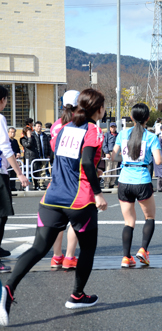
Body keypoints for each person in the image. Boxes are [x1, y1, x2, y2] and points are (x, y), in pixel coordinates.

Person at [0, 88, 108, 327]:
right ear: (97, 109)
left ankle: (8, 288)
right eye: (103, 107)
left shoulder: (61, 129)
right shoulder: (92, 130)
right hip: (79, 200)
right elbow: (88, 162)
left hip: (51, 198)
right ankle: (77, 295)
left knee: (39, 248)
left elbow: (62, 162)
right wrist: (98, 192)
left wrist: (89, 169)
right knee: (88, 249)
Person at [111, 103, 161, 268]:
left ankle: (126, 257)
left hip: (124, 180)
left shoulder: (123, 134)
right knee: (150, 217)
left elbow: (113, 156)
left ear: (131, 118)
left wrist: (126, 160)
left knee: (129, 222)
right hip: (142, 179)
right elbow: (159, 160)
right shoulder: (151, 137)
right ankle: (143, 250)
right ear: (147, 118)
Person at [48, 89, 81, 270]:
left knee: (58, 221)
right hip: (75, 177)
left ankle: (56, 256)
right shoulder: (80, 125)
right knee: (76, 219)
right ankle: (69, 257)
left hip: (57, 174)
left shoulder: (56, 125)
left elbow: (53, 148)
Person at [0, 86, 29, 270]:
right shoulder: (0, 118)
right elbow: (6, 147)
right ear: (2, 100)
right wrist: (19, 173)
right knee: (2, 214)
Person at [33, 121, 51, 189]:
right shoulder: (32, 135)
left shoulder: (44, 135)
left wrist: (48, 154)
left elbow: (48, 145)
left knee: (43, 170)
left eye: (40, 126)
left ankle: (42, 184)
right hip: (36, 156)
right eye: (38, 126)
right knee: (36, 170)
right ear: (34, 127)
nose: (39, 128)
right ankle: (36, 184)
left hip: (43, 155)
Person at [102, 122, 118, 189]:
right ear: (110, 128)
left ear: (116, 128)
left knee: (114, 168)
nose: (113, 128)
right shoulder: (107, 135)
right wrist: (107, 152)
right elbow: (104, 144)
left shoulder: (118, 135)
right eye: (111, 127)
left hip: (116, 153)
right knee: (108, 168)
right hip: (109, 153)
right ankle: (106, 183)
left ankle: (113, 183)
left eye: (114, 127)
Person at [7, 127, 21, 191]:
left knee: (14, 173)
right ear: (8, 133)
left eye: (14, 132)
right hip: (8, 160)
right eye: (11, 132)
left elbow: (18, 149)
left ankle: (13, 186)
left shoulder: (15, 141)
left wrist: (18, 153)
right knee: (8, 173)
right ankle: (8, 187)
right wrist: (15, 154)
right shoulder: (6, 141)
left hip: (15, 160)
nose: (13, 133)